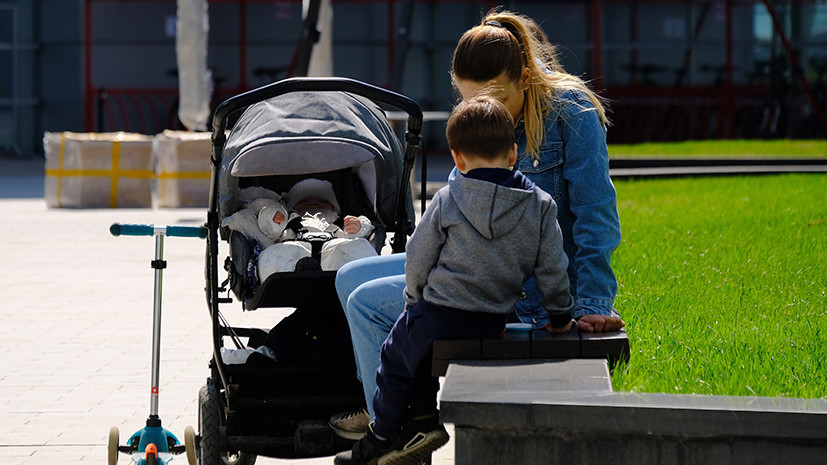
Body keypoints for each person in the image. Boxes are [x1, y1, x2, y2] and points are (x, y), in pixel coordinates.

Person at [330, 8, 625, 439]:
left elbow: (596, 217)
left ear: (525, 77)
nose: (487, 111)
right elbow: (456, 208)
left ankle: (396, 427)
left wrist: (592, 305)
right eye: (471, 102)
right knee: (348, 277)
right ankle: (396, 406)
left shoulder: (571, 113)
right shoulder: (481, 117)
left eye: (498, 98)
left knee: (366, 303)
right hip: (478, 267)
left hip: (521, 289)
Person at [334, 96, 574, 465]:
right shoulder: (540, 205)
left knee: (395, 359)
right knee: (420, 351)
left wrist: (413, 298)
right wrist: (560, 316)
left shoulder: (449, 199)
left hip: (440, 311)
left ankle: (382, 435)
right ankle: (422, 420)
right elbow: (553, 269)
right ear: (513, 154)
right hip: (493, 317)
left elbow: (418, 257)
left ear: (458, 158)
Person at [256, 178, 377, 277]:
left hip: (332, 251)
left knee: (360, 245)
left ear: (334, 208)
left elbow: (363, 231)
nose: (313, 205)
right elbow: (268, 229)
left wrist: (359, 226)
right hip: (295, 248)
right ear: (293, 207)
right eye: (305, 202)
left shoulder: (340, 222)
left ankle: (347, 276)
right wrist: (272, 217)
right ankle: (296, 272)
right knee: (271, 255)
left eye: (322, 202)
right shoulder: (288, 219)